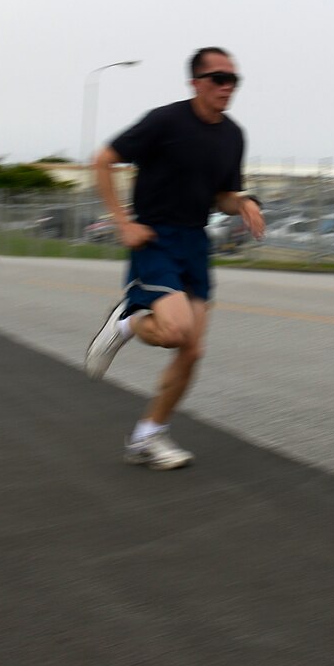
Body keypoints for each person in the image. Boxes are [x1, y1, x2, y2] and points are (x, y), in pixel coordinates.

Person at [84, 47, 264, 470]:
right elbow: (103, 160)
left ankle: (147, 437)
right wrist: (121, 222)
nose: (227, 87)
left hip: (195, 243)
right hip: (155, 238)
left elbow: (221, 195)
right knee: (176, 331)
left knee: (192, 351)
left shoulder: (233, 135)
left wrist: (243, 202)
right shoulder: (165, 121)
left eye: (233, 80)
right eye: (218, 79)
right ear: (196, 83)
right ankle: (125, 323)